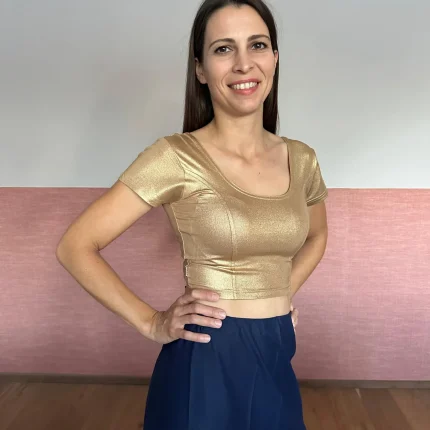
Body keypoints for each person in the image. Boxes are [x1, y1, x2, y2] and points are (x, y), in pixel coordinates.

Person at [56, 0, 328, 428]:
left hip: (276, 347)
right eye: (223, 49)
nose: (243, 63)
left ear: (275, 58)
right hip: (205, 356)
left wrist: (280, 292)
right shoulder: (175, 156)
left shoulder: (302, 158)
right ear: (200, 68)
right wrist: (151, 322)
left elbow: (317, 236)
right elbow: (75, 246)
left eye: (257, 45)